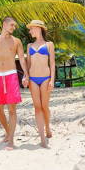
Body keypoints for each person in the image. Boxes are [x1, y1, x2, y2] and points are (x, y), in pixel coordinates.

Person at [0, 17, 29, 150]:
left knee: (12, 110)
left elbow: (22, 59)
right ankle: (8, 132)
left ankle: (11, 141)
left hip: (11, 76)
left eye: (15, 26)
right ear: (4, 24)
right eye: (12, 25)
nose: (14, 28)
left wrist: (26, 74)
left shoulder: (17, 42)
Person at [26, 20, 55, 148]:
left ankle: (48, 127)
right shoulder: (29, 45)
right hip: (33, 79)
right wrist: (25, 77)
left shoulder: (49, 44)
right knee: (37, 107)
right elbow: (28, 65)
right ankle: (42, 138)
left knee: (44, 106)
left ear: (38, 28)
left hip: (45, 78)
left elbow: (52, 63)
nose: (30, 31)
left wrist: (52, 80)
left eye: (31, 28)